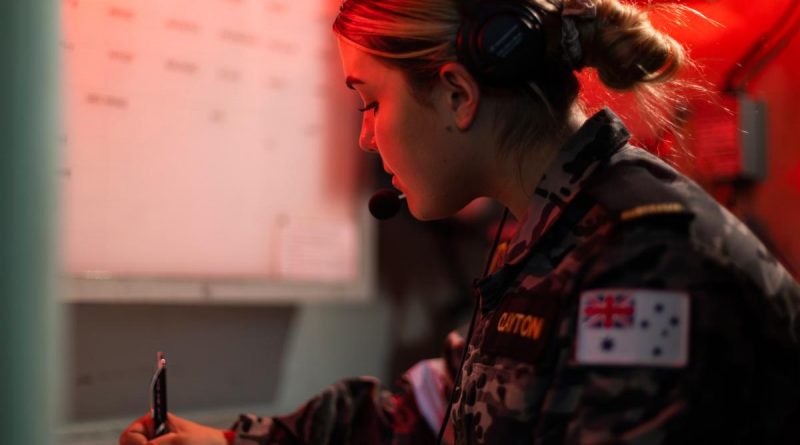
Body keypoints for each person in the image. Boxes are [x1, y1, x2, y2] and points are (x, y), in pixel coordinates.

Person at [120, 0, 800, 444]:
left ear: (455, 94)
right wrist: (233, 441)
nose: (365, 138)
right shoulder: (544, 224)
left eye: (370, 102)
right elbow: (436, 406)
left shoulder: (643, 254)